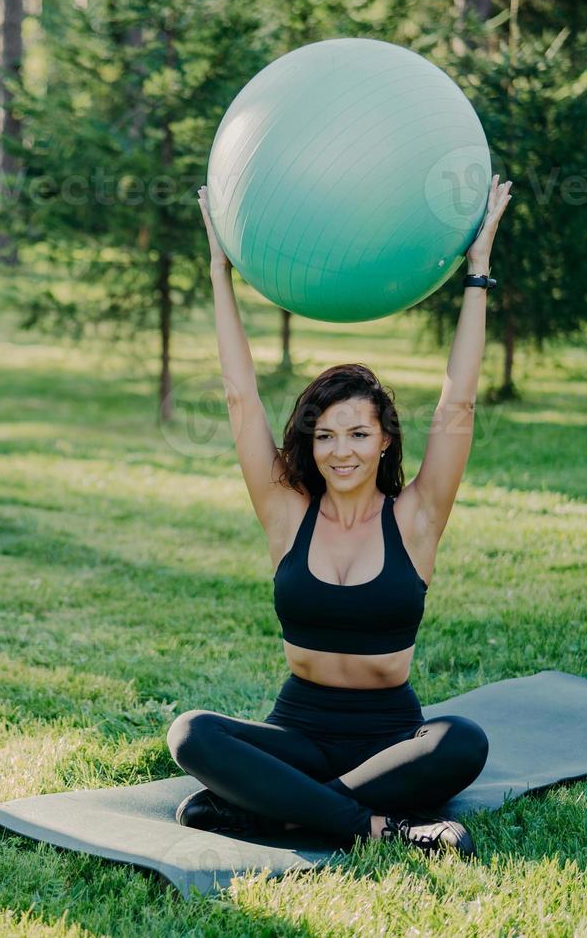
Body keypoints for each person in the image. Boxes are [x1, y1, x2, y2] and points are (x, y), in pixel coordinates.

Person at [167, 176, 514, 858]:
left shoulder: (416, 516)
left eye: (357, 433)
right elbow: (240, 398)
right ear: (309, 442)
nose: (340, 450)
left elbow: (457, 407)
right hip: (298, 731)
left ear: (385, 439)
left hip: (392, 738)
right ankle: (377, 826)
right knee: (191, 734)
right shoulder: (285, 510)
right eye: (325, 435)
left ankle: (282, 810)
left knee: (463, 742)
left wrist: (478, 272)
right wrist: (219, 269)